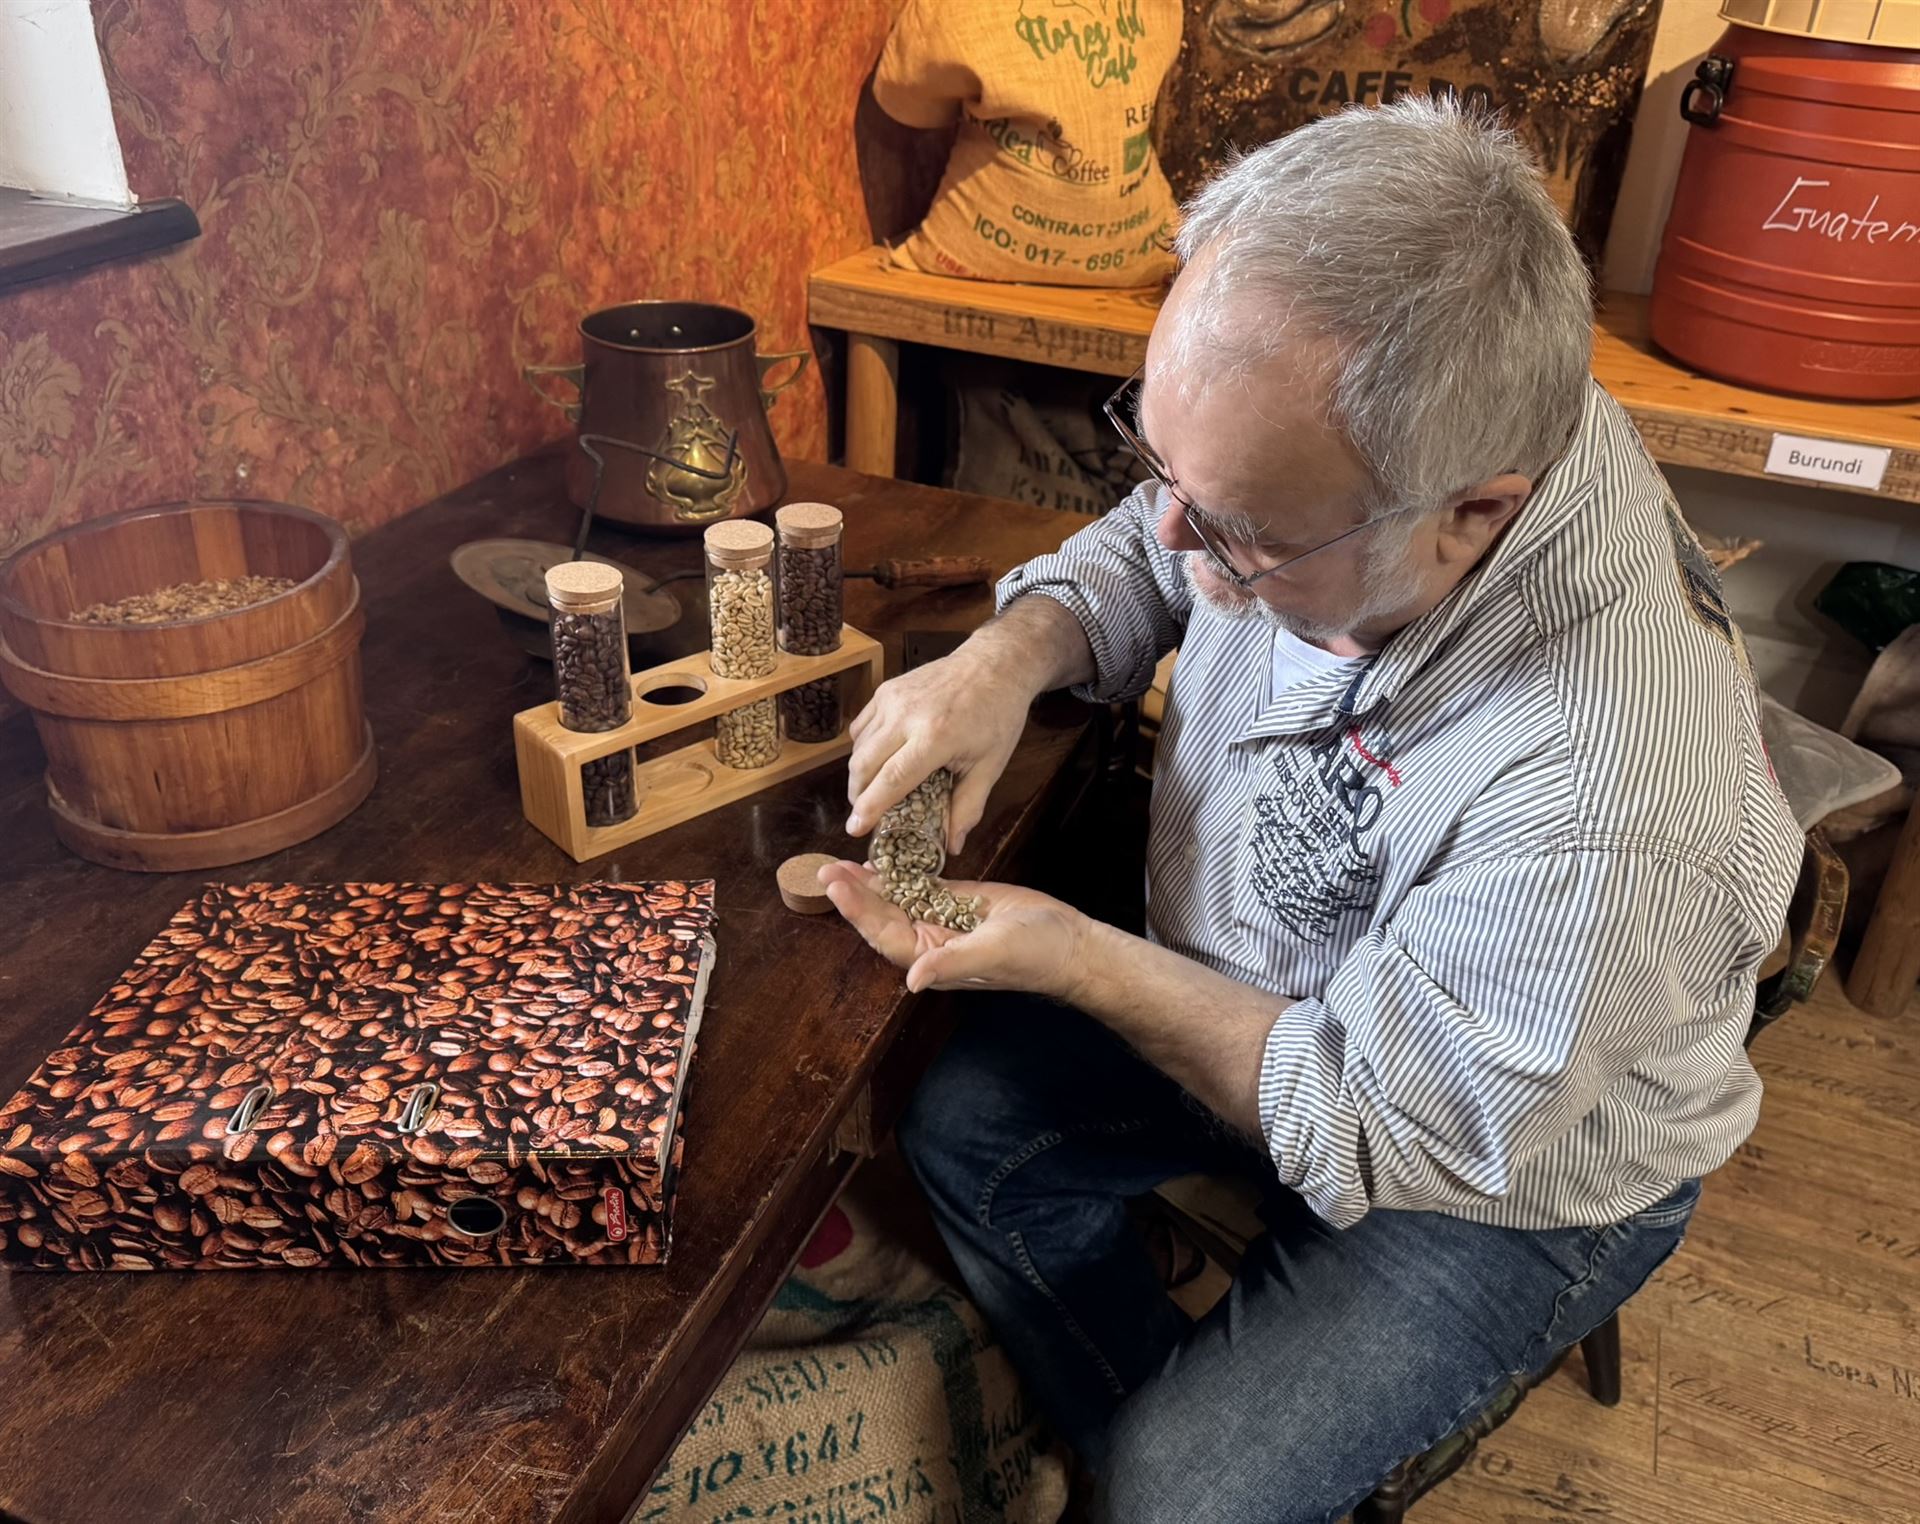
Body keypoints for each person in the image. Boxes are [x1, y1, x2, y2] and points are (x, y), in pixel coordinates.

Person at [819, 96, 1802, 1523]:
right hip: (1276, 986)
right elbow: (1167, 529)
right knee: (966, 1130)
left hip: (1490, 1158)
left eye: (1246, 537)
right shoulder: (1407, 428)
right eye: (1164, 466)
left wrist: (1076, 957)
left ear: (1473, 514)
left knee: (1177, 1495)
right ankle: (1158, 1429)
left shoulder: (1614, 793)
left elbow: (1378, 1119)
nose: (1177, 538)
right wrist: (1007, 655)